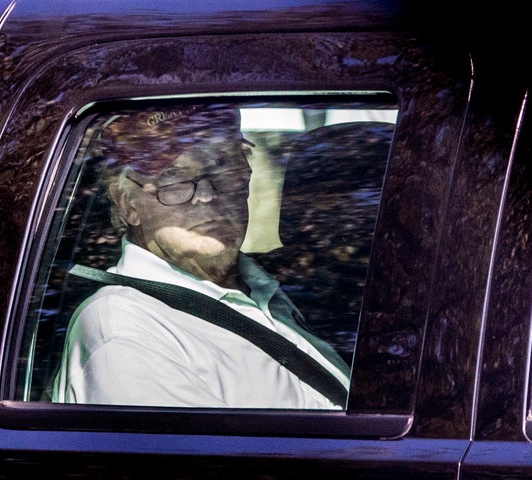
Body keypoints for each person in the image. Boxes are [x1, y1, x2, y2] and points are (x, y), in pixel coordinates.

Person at [52, 104, 350, 409]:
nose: (207, 194)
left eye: (223, 166)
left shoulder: (277, 288)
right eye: (175, 178)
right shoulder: (124, 328)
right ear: (129, 205)